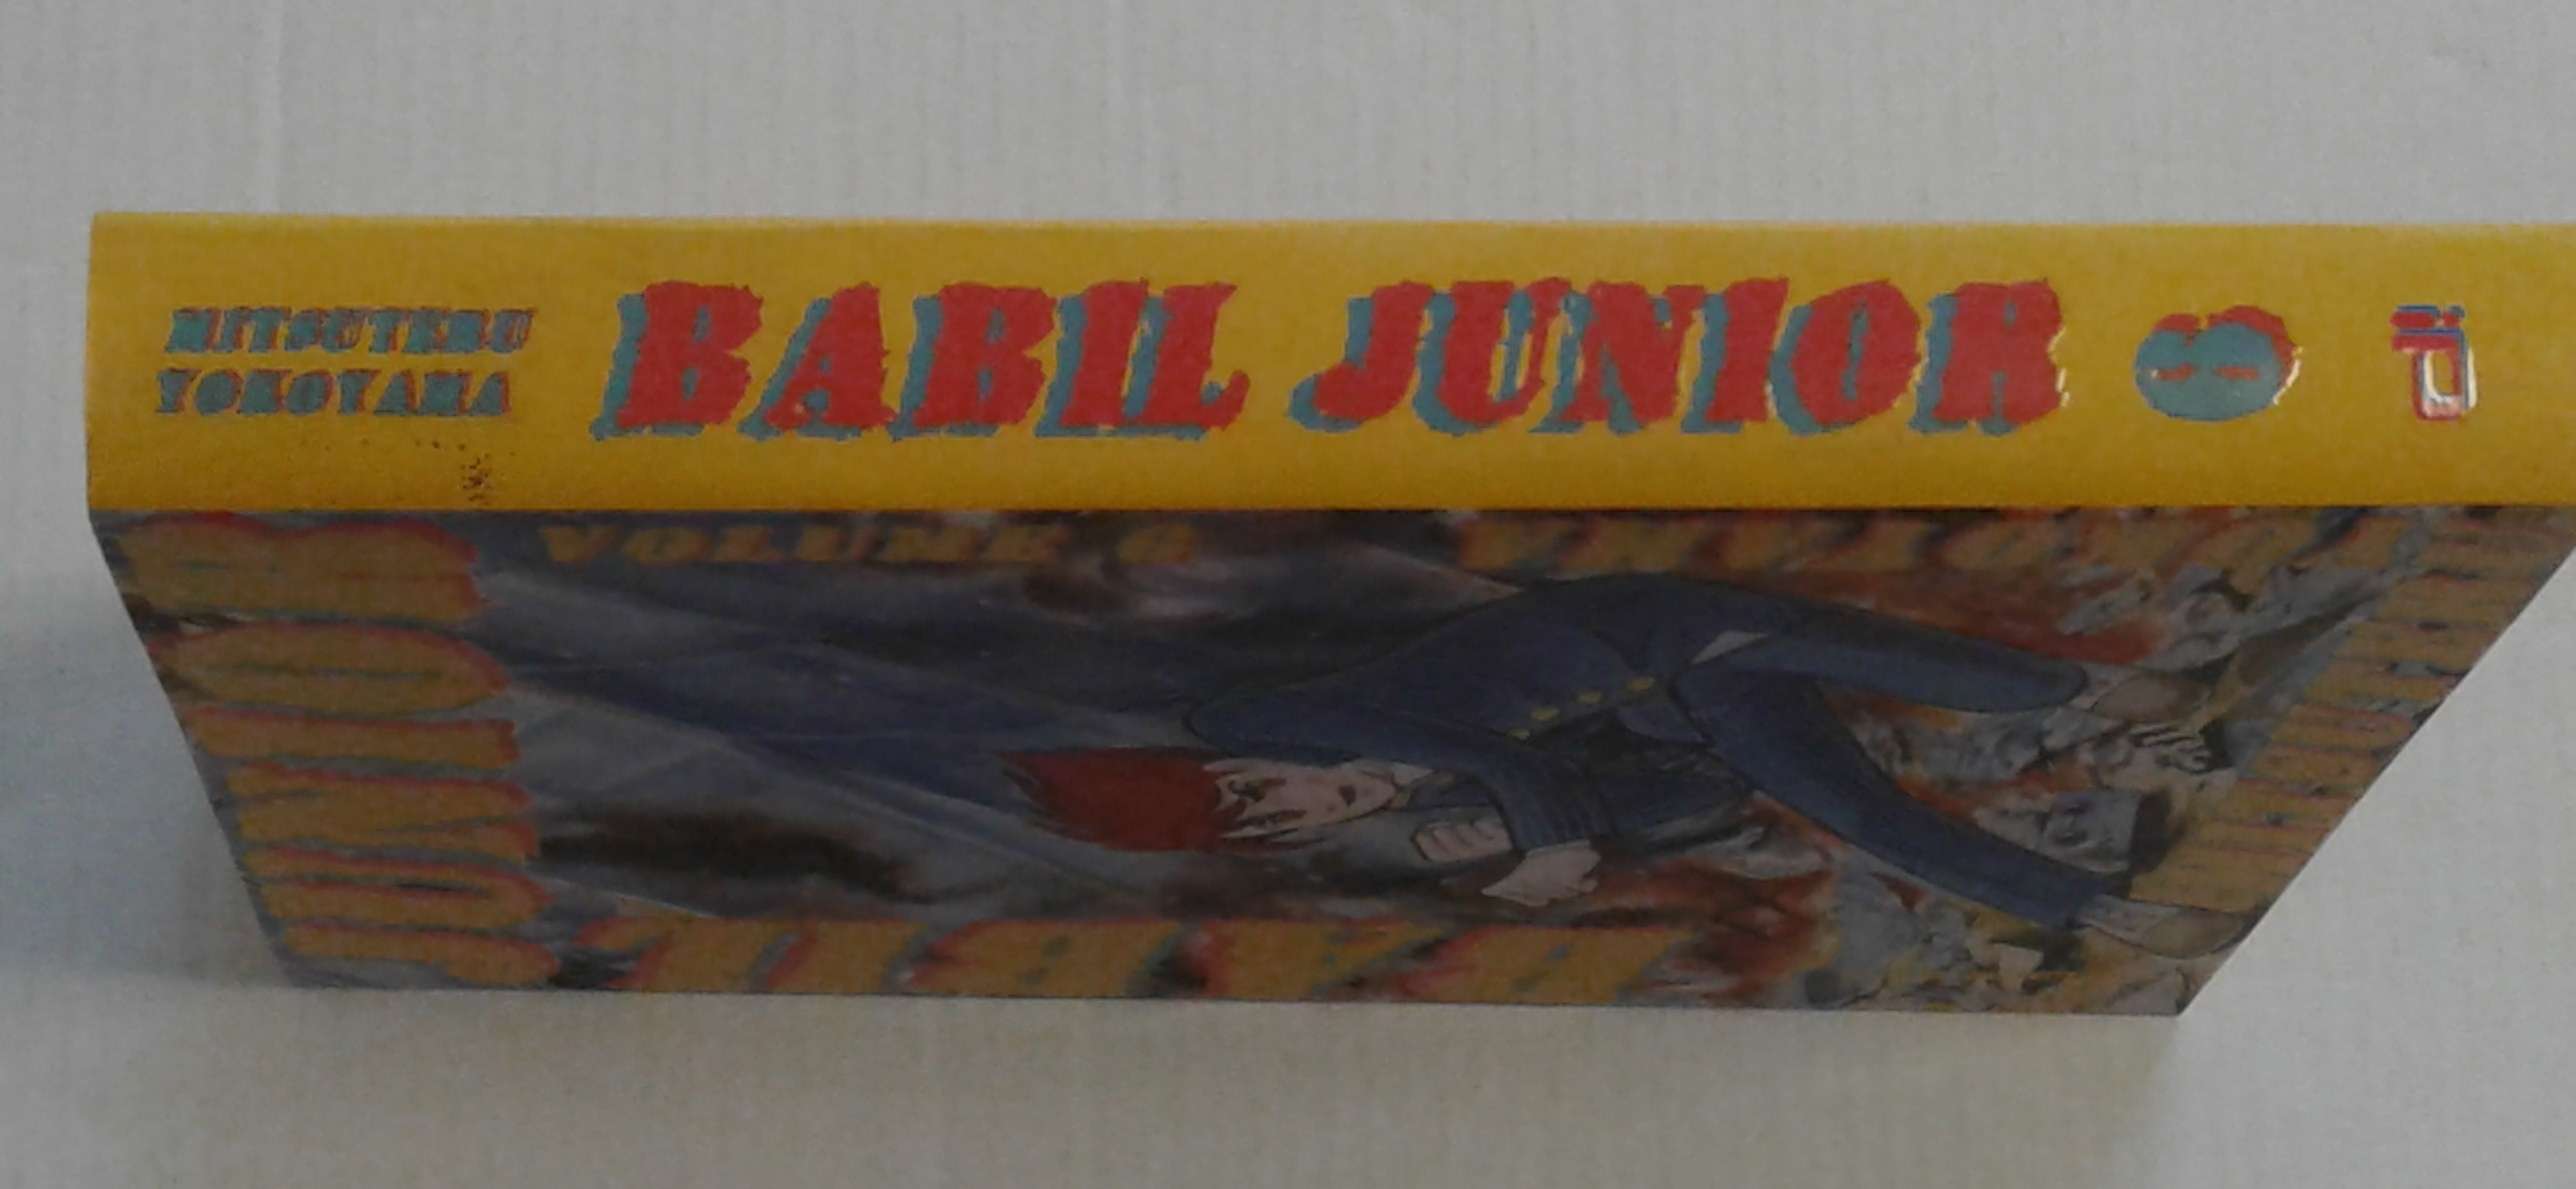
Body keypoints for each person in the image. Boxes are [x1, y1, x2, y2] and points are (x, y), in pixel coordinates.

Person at [1011, 575, 2248, 959]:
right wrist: (1560, 823)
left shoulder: (1287, 712)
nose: (1298, 805)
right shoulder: (1436, 786)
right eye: (1278, 823)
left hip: (1657, 626)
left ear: (1246, 761)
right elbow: (1688, 792)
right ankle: (2108, 912)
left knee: (1818, 644)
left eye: (1261, 792)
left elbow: (1479, 745)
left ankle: (2093, 693)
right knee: (1856, 808)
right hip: (1689, 710)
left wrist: (1541, 841)